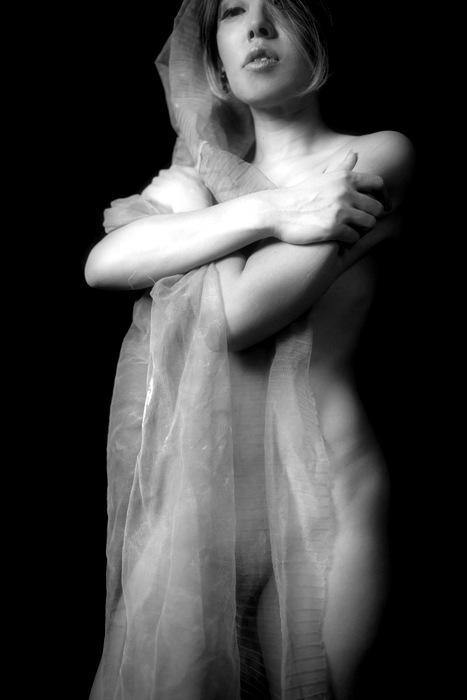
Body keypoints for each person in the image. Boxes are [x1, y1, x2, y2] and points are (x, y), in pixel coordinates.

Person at [85, 1, 415, 698]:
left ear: (317, 34)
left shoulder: (373, 156)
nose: (257, 28)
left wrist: (197, 219)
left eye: (278, 9)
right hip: (204, 515)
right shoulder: (200, 182)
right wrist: (267, 210)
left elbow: (237, 317)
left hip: (324, 498)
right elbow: (101, 265)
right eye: (234, 13)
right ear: (216, 66)